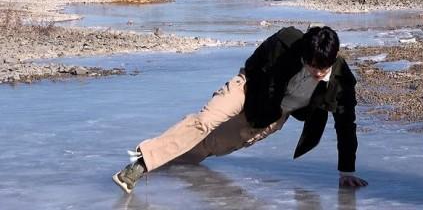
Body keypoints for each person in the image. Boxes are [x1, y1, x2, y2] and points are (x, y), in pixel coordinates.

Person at [112, 26, 368, 193]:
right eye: (311, 66)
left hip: (271, 117)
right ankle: (141, 162)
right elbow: (254, 63)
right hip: (247, 89)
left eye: (322, 69)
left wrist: (347, 170)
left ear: (333, 59)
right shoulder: (286, 41)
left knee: (209, 146)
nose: (316, 72)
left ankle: (163, 158)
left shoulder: (341, 80)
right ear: (305, 54)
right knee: (204, 121)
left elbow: (346, 124)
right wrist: (256, 92)